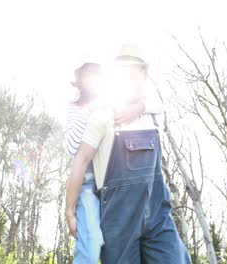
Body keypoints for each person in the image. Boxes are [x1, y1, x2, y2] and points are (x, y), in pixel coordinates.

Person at [65, 45, 191, 263]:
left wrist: (141, 106)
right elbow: (80, 161)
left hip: (158, 218)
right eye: (123, 73)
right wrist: (69, 210)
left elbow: (160, 105)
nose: (129, 79)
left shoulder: (153, 115)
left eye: (134, 72)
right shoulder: (102, 116)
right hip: (119, 222)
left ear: (145, 73)